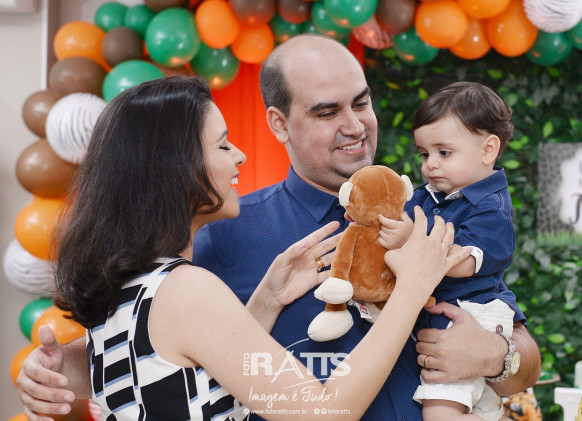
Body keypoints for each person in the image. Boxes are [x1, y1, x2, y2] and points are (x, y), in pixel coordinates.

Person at [17, 35, 541, 420]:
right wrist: (62, 370)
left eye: (361, 103)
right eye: (327, 112)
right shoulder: (214, 241)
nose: (355, 126)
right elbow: (157, 343)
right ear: (278, 123)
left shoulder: (428, 208)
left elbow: (513, 338)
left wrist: (498, 356)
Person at [378, 81, 522, 420]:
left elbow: (460, 261)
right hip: (445, 311)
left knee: (439, 415)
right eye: (424, 154)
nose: (431, 164)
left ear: (488, 150)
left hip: (475, 315)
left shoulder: (491, 209)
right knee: (480, 410)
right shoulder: (428, 195)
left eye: (444, 153)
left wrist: (412, 237)